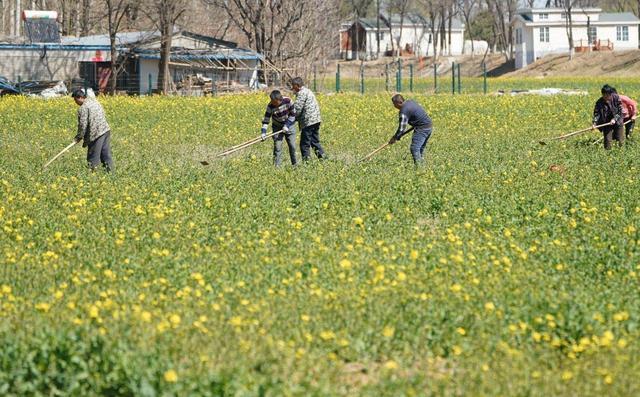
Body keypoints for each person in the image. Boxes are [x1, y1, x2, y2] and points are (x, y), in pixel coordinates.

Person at [72, 88, 114, 171]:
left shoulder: (83, 108)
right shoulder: (94, 102)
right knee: (105, 153)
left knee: (93, 155)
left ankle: (92, 175)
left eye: (75, 100)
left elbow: (83, 125)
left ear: (80, 97)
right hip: (105, 129)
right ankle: (110, 172)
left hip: (95, 133)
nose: (75, 102)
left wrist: (78, 137)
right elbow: (103, 113)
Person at [387, 94, 433, 165]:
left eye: (394, 104)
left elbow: (401, 129)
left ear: (398, 103)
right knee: (420, 148)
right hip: (429, 125)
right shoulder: (410, 102)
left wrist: (395, 137)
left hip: (422, 128)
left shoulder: (404, 111)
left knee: (415, 148)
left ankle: (419, 168)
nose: (394, 106)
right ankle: (422, 168)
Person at [291, 77, 326, 161]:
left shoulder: (302, 93)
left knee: (304, 143)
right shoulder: (308, 91)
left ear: (298, 85)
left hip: (308, 121)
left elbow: (297, 109)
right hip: (316, 120)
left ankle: (307, 162)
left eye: (293, 86)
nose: (292, 88)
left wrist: (290, 120)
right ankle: (323, 158)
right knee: (314, 141)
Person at [261, 90, 298, 166]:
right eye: (271, 101)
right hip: (277, 126)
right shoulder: (270, 106)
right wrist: (263, 132)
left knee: (292, 146)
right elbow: (266, 120)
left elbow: (293, 114)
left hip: (289, 125)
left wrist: (287, 125)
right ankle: (277, 167)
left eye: (274, 102)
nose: (272, 103)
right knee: (277, 147)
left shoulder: (288, 101)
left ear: (279, 99)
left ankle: (295, 165)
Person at [593, 84, 625, 150]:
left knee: (619, 139)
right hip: (606, 122)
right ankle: (608, 154)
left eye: (607, 95)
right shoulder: (599, 102)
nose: (605, 97)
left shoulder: (616, 98)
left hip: (618, 121)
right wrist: (594, 123)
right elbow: (596, 114)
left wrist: (614, 119)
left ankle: (621, 153)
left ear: (611, 94)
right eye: (604, 95)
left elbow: (620, 110)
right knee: (607, 141)